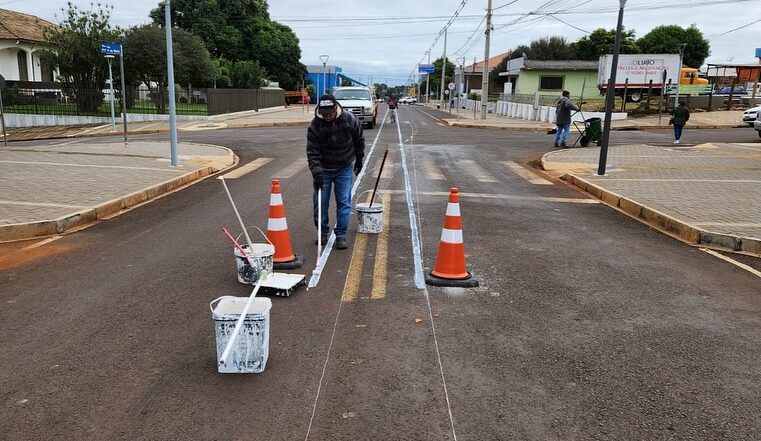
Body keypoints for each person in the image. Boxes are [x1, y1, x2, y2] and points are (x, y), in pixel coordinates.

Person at [307, 94, 365, 250]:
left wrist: (359, 159)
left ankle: (341, 235)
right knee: (320, 203)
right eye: (324, 114)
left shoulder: (348, 119)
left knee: (344, 203)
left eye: (330, 113)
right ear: (320, 110)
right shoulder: (315, 125)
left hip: (344, 167)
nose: (328, 117)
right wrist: (316, 172)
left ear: (335, 108)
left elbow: (359, 139)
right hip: (324, 169)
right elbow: (312, 152)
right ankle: (323, 233)